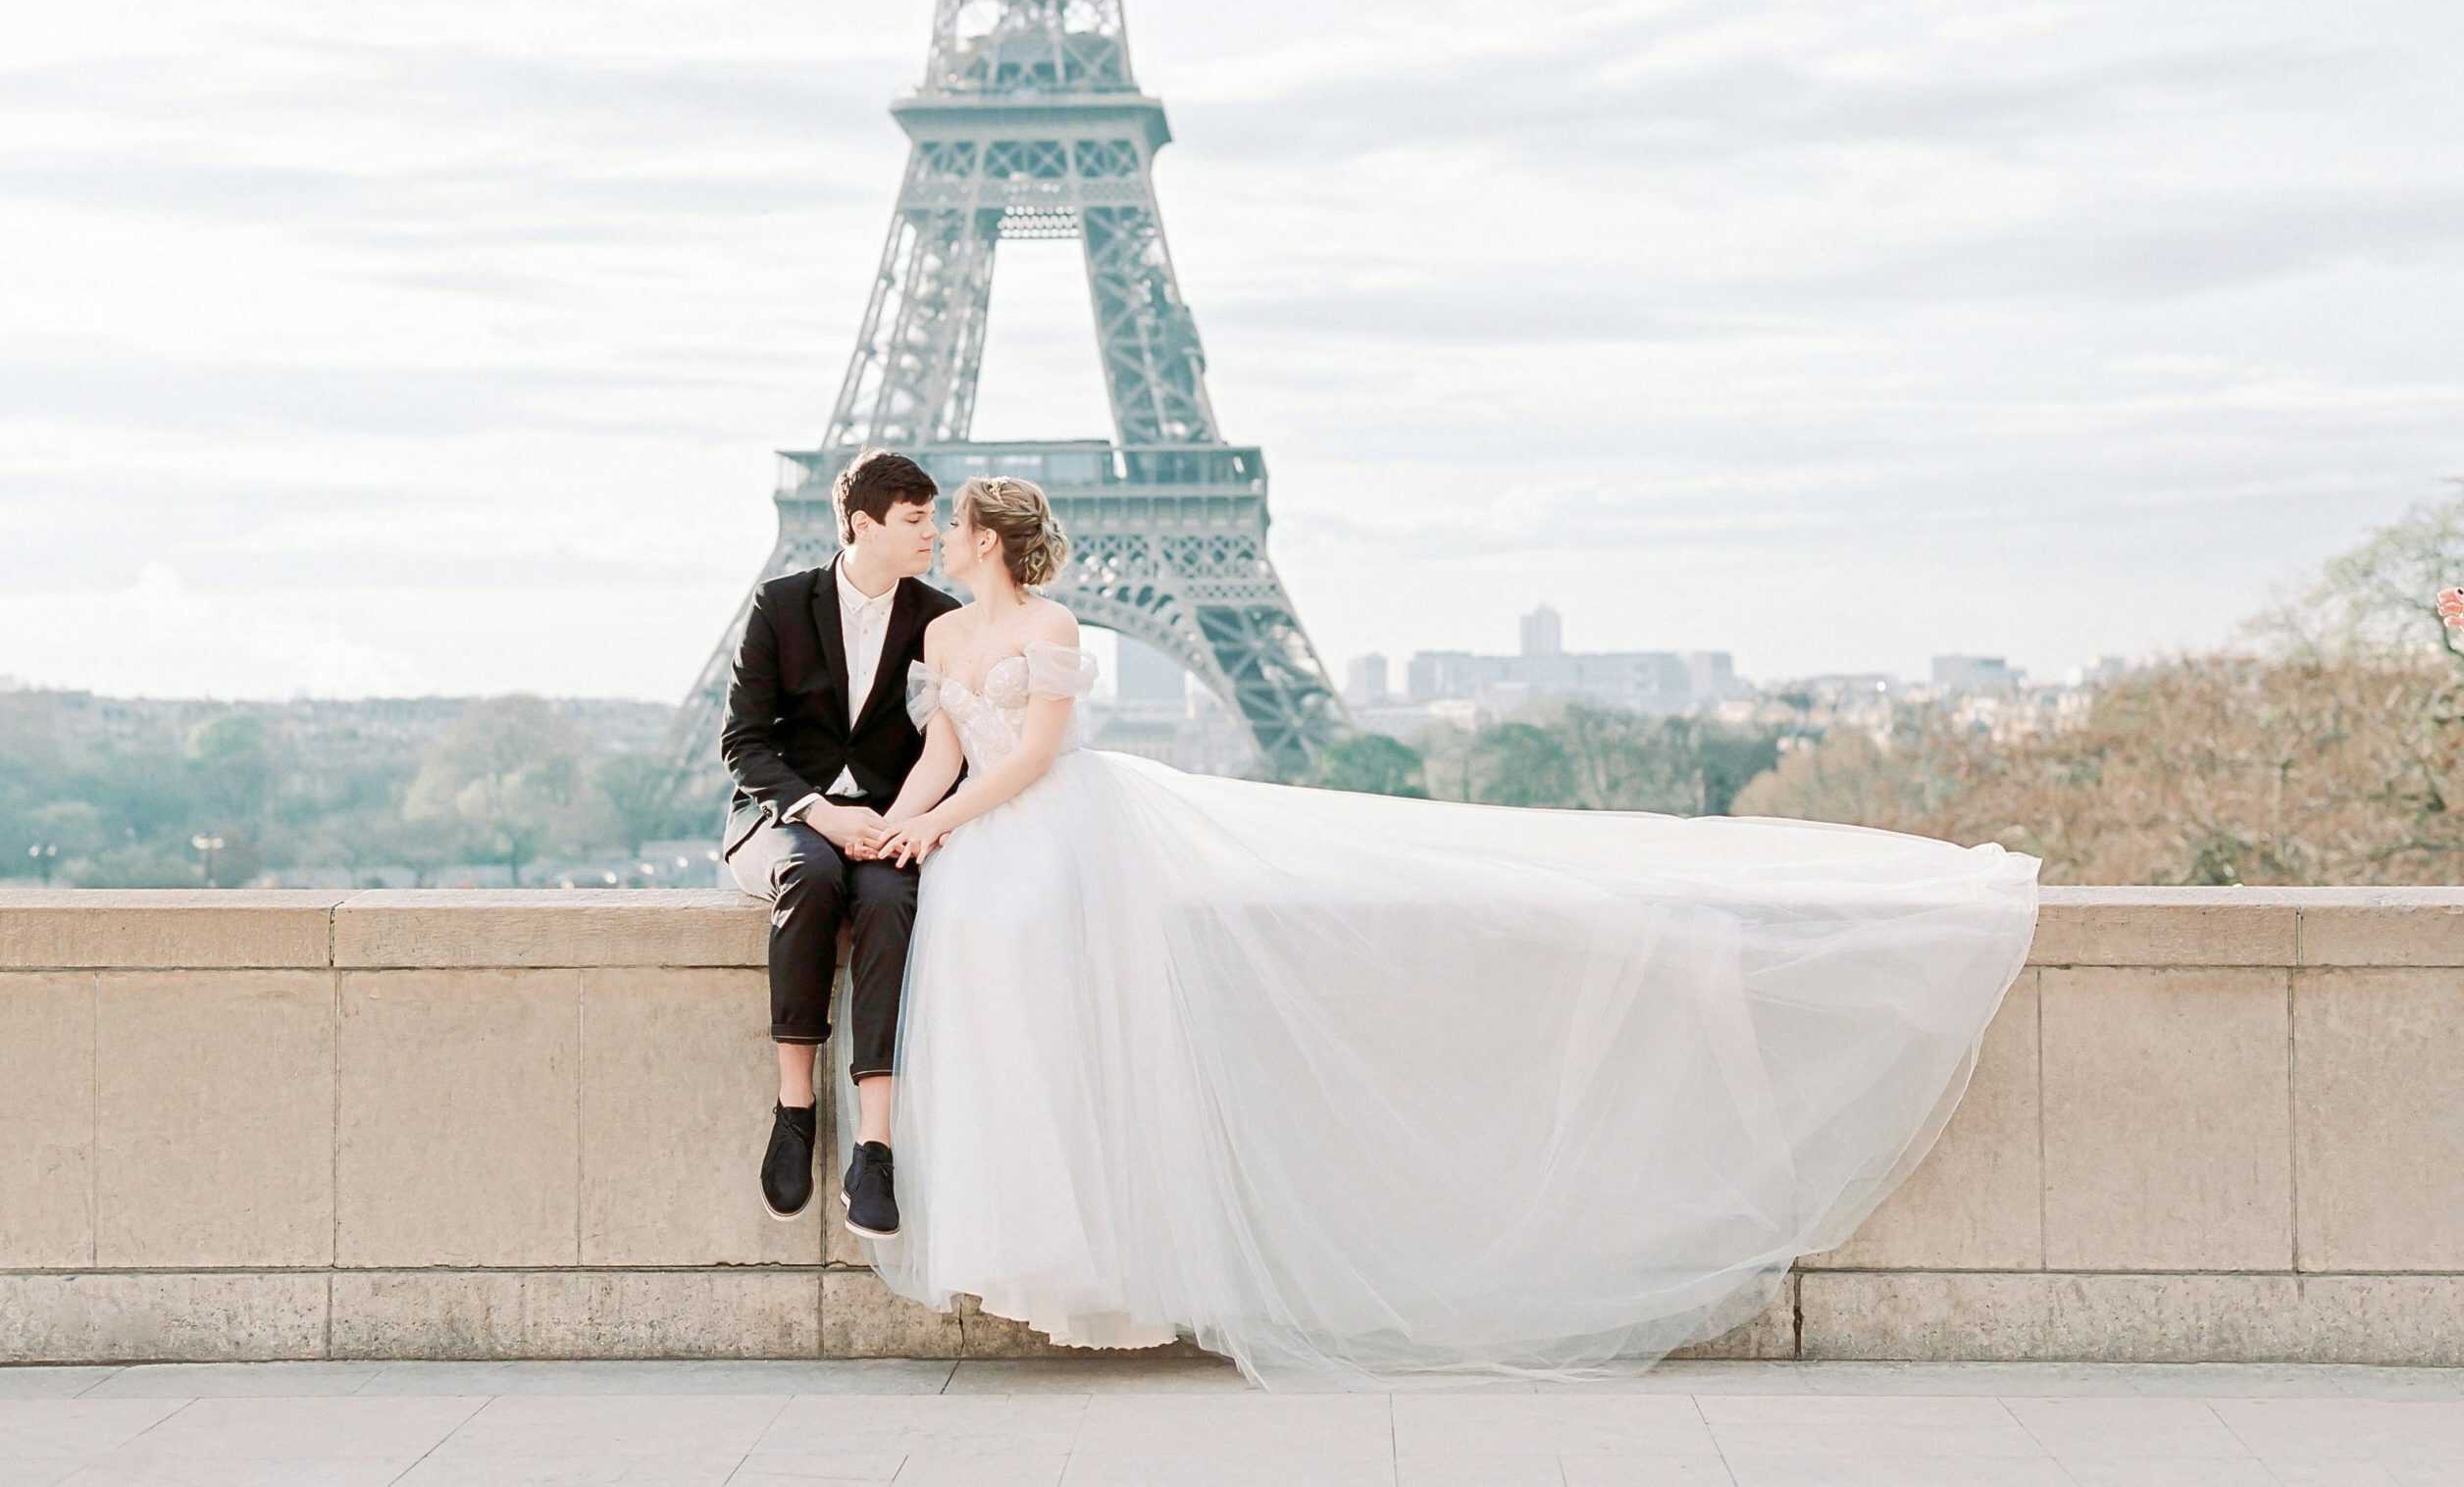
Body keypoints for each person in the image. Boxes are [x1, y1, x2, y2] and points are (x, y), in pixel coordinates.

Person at [812, 475, 2042, 1390]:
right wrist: (891, 826)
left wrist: (935, 830)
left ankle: (1098, 1256)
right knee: (1002, 1038)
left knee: (1074, 1034)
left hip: (1050, 836)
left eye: (953, 519)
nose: (942, 532)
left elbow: (1029, 756)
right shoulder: (943, 632)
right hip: (979, 848)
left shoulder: (1054, 630)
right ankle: (1031, 1243)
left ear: (988, 538)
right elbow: (943, 747)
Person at [717, 448, 962, 1240]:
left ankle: (874, 1142)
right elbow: (744, 743)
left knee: (893, 898)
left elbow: (948, 748)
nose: (935, 531)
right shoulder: (782, 604)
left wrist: (898, 824)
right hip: (793, 819)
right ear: (863, 523)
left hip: (892, 819)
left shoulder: (938, 616)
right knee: (810, 872)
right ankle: (796, 1106)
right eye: (917, 519)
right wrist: (820, 812)